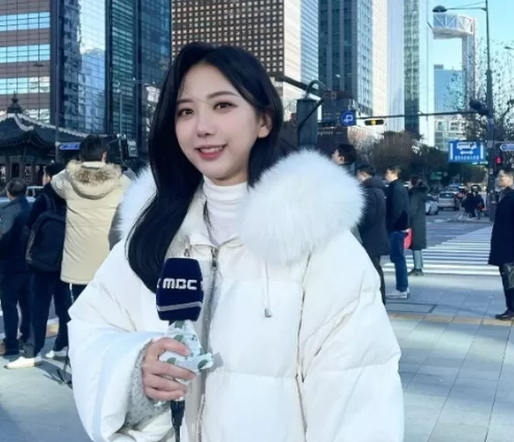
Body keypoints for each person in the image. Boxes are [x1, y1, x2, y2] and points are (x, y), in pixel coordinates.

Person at [67, 43, 403, 442]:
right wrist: (136, 367)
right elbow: (91, 325)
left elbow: (357, 404)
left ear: (264, 120)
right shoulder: (152, 234)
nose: (202, 127)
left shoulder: (318, 243)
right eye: (185, 111)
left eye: (222, 105)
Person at [7, 163, 72, 369]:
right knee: (64, 304)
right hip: (67, 258)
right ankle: (63, 344)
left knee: (39, 306)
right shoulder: (73, 196)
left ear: (50, 177)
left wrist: (28, 255)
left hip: (43, 261)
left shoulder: (45, 197)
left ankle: (32, 351)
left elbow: (29, 228)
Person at [50, 135, 129, 300]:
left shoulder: (68, 180)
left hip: (78, 265)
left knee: (82, 309)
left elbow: (55, 180)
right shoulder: (120, 181)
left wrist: (73, 167)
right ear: (104, 155)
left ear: (80, 156)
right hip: (108, 261)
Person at [0, 178, 31, 356]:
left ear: (8, 192)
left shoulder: (9, 211)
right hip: (29, 263)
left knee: (9, 305)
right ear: (26, 192)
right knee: (27, 304)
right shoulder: (31, 209)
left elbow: (4, 237)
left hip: (11, 264)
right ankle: (27, 338)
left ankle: (11, 344)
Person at [356, 164, 390, 304]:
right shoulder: (378, 190)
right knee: (375, 269)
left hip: (370, 239)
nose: (357, 178)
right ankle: (379, 299)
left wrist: (358, 229)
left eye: (358, 175)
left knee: (374, 270)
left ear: (363, 174)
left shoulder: (369, 192)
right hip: (377, 237)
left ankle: (379, 300)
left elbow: (368, 218)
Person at [489, 168, 514, 320]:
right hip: (504, 245)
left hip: (509, 247)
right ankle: (510, 308)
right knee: (507, 277)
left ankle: (512, 309)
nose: (499, 179)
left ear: (511, 179)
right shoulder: (505, 196)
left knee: (510, 278)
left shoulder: (511, 198)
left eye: (502, 177)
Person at [384, 165, 410, 299]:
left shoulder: (397, 188)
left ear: (394, 173)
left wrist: (389, 225)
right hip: (399, 226)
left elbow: (397, 210)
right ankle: (403, 286)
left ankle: (402, 288)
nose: (385, 175)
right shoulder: (397, 187)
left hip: (396, 228)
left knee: (397, 257)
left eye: (387, 173)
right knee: (398, 257)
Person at [408, 177, 429, 276]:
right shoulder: (421, 194)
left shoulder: (414, 195)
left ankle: (417, 268)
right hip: (420, 222)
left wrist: (407, 220)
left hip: (415, 222)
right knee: (417, 245)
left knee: (415, 245)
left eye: (409, 183)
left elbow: (412, 210)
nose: (408, 184)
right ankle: (419, 266)